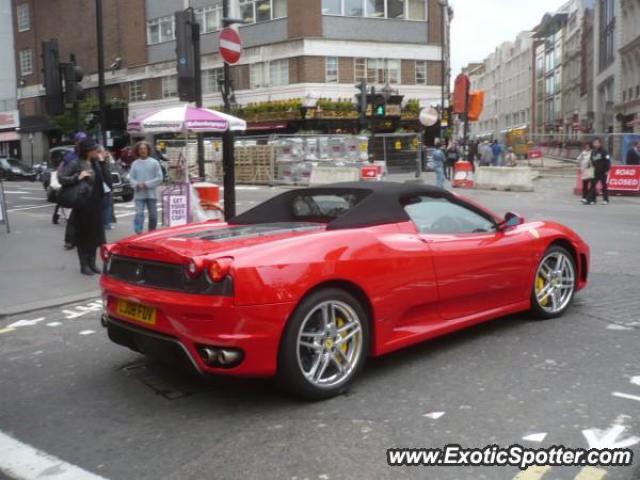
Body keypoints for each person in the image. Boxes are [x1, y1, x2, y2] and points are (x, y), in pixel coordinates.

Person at [59, 139, 108, 275]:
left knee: (95, 235)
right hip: (83, 204)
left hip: (96, 203)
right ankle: (84, 265)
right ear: (88, 151)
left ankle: (92, 263)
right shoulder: (76, 163)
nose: (96, 152)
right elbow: (61, 178)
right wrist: (77, 177)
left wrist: (103, 162)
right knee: (83, 235)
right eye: (94, 150)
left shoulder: (96, 163)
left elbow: (106, 180)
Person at [53, 132, 87, 250]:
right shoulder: (70, 157)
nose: (82, 143)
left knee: (83, 216)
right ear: (76, 142)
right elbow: (61, 175)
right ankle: (70, 240)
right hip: (75, 189)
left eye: (84, 141)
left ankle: (79, 239)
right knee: (74, 216)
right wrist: (77, 177)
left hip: (86, 190)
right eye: (80, 141)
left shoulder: (88, 155)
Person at [129, 141, 164, 234]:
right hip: (139, 194)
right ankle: (138, 232)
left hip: (151, 194)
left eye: (145, 148)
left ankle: (151, 233)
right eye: (140, 149)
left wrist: (146, 184)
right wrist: (136, 184)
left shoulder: (154, 162)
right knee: (139, 214)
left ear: (148, 150)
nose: (143, 150)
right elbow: (130, 177)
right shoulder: (135, 163)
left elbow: (160, 178)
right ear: (137, 151)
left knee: (153, 216)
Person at [589, 138, 611, 205]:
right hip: (595, 172)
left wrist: (607, 170)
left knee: (604, 186)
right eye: (594, 143)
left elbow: (608, 161)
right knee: (593, 186)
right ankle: (593, 199)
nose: (595, 144)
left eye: (596, 143)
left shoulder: (604, 151)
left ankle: (605, 200)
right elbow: (591, 160)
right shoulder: (593, 151)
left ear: (600, 143)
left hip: (603, 172)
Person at [96, 146, 114, 230]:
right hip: (102, 187)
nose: (105, 152)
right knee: (104, 206)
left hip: (107, 186)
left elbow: (111, 167)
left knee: (108, 205)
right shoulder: (98, 162)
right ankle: (105, 223)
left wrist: (106, 158)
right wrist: (101, 160)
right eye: (103, 151)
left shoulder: (105, 160)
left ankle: (107, 222)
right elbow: (102, 174)